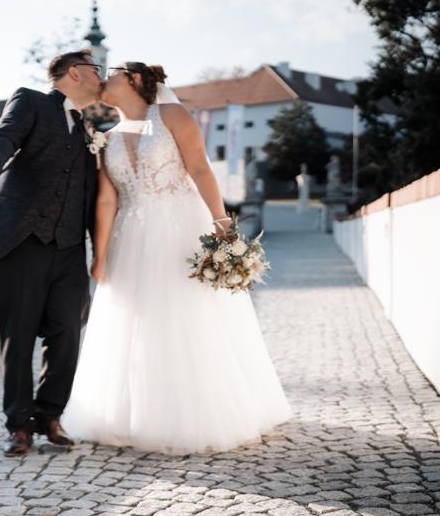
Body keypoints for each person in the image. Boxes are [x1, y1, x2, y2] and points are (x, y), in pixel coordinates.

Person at [61, 62, 292, 454]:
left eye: (111, 75)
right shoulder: (108, 135)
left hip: (179, 228)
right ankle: (136, 416)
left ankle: (199, 414)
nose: (103, 82)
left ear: (134, 81)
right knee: (136, 323)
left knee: (186, 319)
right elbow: (106, 199)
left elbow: (200, 168)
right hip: (129, 238)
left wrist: (221, 223)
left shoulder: (171, 115)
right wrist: (99, 255)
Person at [0, 50, 102, 457]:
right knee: (18, 338)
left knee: (66, 337)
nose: (103, 77)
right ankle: (19, 426)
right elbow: (2, 136)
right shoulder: (30, 100)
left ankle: (49, 415)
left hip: (69, 248)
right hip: (17, 244)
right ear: (76, 72)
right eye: (98, 70)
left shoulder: (92, 124)